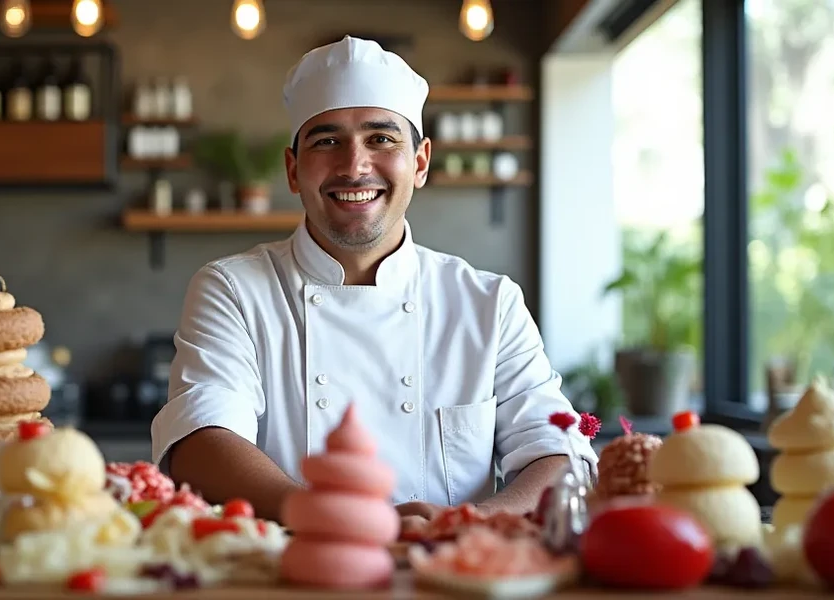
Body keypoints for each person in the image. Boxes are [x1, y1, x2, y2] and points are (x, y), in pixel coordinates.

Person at [150, 36, 598, 527]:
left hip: (452, 575)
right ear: (293, 170)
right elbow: (199, 442)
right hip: (292, 575)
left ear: (421, 162)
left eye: (381, 139)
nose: (354, 166)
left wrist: (476, 522)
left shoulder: (490, 303)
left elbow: (558, 451)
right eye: (326, 141)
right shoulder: (234, 289)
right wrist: (332, 519)